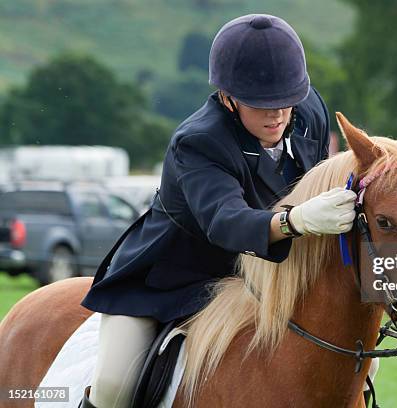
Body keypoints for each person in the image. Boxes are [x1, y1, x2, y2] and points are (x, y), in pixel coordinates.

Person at [79, 14, 356, 408]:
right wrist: (296, 220)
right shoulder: (199, 141)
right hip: (176, 276)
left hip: (266, 276)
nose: (277, 114)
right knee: (112, 388)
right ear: (227, 97)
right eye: (261, 105)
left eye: (285, 101)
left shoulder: (308, 111)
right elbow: (226, 221)